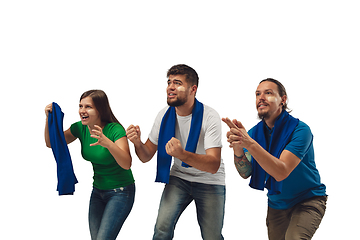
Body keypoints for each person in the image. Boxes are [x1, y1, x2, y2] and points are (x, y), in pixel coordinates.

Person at [126, 64, 225, 240]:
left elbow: (213, 165)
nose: (170, 87)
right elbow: (146, 155)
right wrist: (137, 143)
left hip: (210, 181)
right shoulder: (164, 115)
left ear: (193, 89)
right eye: (169, 82)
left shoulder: (210, 116)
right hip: (179, 177)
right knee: (161, 229)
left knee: (212, 237)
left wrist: (182, 155)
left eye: (177, 83)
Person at [223, 78, 327, 240]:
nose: (261, 98)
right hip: (277, 204)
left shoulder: (300, 130)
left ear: (283, 100)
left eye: (268, 93)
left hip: (307, 199)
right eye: (258, 94)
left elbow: (281, 171)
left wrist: (249, 144)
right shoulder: (253, 134)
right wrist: (238, 148)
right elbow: (246, 172)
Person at [44, 90, 135, 240]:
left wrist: (108, 144)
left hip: (121, 191)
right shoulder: (80, 128)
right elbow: (51, 143)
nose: (82, 111)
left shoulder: (115, 130)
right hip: (98, 191)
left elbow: (126, 164)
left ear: (100, 109)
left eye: (88, 107)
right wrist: (49, 120)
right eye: (80, 106)